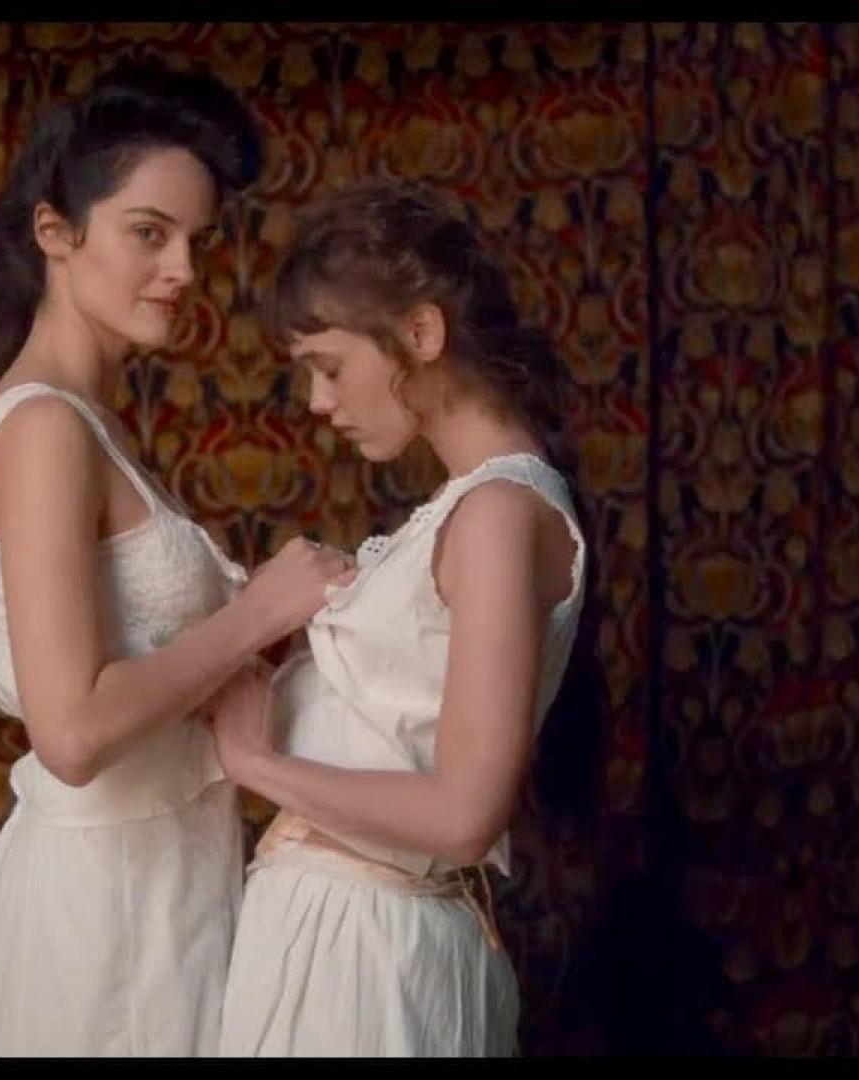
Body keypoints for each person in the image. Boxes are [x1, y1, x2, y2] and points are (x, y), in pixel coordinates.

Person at [0, 63, 355, 1057]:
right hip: (101, 917)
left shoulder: (87, 423)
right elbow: (70, 731)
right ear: (55, 231)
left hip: (163, 888)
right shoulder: (45, 430)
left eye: (197, 240)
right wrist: (257, 612)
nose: (184, 268)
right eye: (150, 233)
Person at [209, 180, 592, 1056]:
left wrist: (256, 763)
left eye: (330, 365)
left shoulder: (498, 515)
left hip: (369, 955)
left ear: (421, 333)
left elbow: (464, 813)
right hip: (341, 936)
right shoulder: (470, 511)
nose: (317, 401)